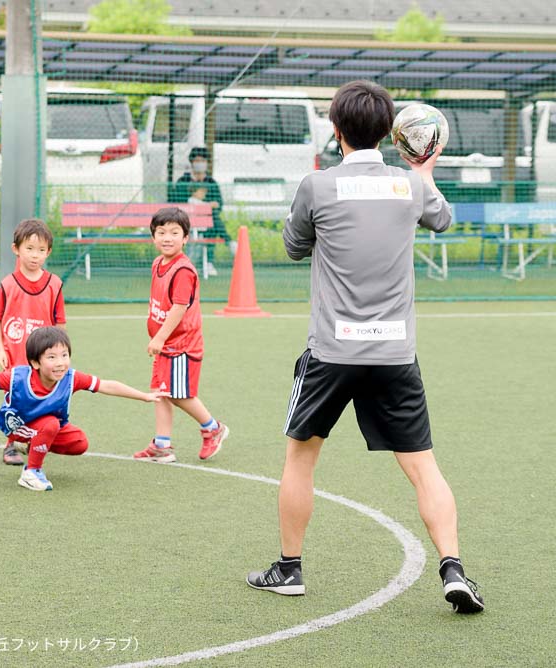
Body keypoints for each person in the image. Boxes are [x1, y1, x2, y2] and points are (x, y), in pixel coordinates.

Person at [246, 80, 484, 614]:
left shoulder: (318, 185)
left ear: (335, 131)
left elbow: (291, 247)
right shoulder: (410, 186)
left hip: (332, 352)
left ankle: (288, 569)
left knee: (300, 459)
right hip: (395, 355)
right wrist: (422, 171)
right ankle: (453, 568)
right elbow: (443, 219)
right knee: (424, 466)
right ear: (388, 133)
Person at [0, 327, 163, 492]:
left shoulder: (71, 378)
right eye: (52, 357)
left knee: (79, 443)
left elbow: (106, 385)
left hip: (45, 428)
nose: (60, 362)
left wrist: (143, 396)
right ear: (35, 363)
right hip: (19, 426)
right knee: (50, 424)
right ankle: (31, 472)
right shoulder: (18, 378)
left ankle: (32, 446)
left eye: (64, 355)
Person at [133, 207, 229, 464]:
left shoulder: (183, 270)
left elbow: (179, 307)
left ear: (185, 237)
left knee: (178, 394)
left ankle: (212, 428)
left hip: (182, 345)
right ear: (153, 236)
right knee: (160, 392)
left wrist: (160, 337)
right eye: (161, 232)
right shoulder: (158, 264)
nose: (167, 237)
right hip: (167, 344)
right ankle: (162, 445)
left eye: (175, 232)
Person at [0, 218, 67, 466]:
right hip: (15, 354)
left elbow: (60, 323)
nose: (35, 256)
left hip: (43, 357)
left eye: (41, 250)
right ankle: (10, 443)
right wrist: (0, 348)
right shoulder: (8, 284)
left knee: (41, 396)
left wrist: (60, 354)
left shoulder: (54, 284)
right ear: (16, 249)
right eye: (29, 249)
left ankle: (37, 437)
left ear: (48, 252)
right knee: (15, 398)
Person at [168, 146, 235, 276]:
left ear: (207, 163)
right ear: (192, 162)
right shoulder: (183, 181)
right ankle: (229, 241)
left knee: (212, 219)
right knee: (212, 217)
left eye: (203, 161)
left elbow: (218, 204)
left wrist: (207, 205)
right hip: (185, 220)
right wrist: (194, 199)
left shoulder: (211, 183)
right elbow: (176, 201)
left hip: (206, 221)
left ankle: (209, 262)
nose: (200, 164)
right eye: (197, 161)